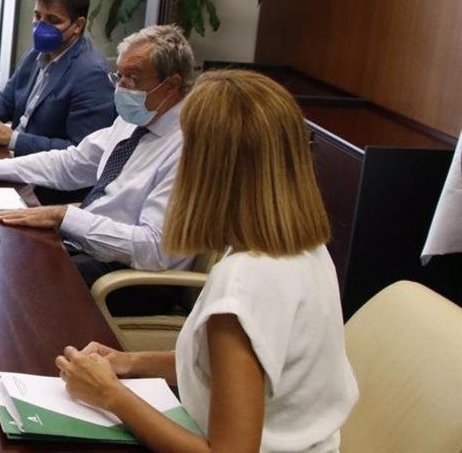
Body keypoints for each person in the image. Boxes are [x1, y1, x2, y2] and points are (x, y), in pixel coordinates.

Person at [53, 70, 358, 452]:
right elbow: (227, 370)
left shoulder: (244, 284)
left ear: (207, 169)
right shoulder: (302, 248)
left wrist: (110, 394)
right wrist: (130, 363)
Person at [0, 24, 195, 287]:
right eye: (119, 76)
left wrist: (65, 217)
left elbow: (156, 249)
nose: (121, 88)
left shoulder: (189, 149)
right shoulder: (135, 120)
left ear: (171, 85)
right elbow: (72, 163)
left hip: (129, 277)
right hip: (88, 248)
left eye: (133, 79)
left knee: (12, 280)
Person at [0, 0, 114, 155]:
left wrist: (14, 139)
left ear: (78, 25)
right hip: (14, 158)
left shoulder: (92, 74)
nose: (41, 26)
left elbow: (81, 152)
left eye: (52, 20)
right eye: (37, 16)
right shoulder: (37, 52)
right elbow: (7, 99)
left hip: (43, 173)